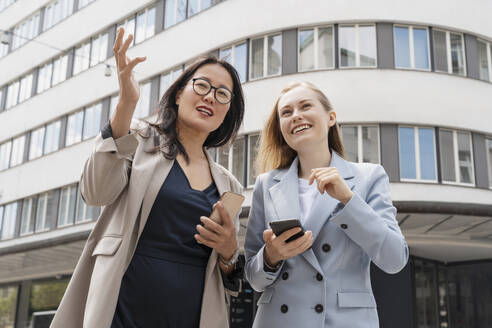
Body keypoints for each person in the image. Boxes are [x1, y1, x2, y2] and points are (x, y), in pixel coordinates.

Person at [50, 27, 245, 328]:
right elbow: (95, 193)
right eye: (202, 85)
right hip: (122, 311)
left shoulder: (228, 185)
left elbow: (229, 280)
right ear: (180, 93)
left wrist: (231, 253)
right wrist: (126, 104)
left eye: (222, 94)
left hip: (191, 316)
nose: (210, 97)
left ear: (227, 112)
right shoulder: (138, 140)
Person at [244, 81, 409, 328]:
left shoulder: (369, 177)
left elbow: (394, 259)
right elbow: (254, 279)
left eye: (305, 106)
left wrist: (348, 200)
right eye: (286, 113)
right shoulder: (266, 184)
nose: (296, 116)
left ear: (330, 118)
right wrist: (271, 256)